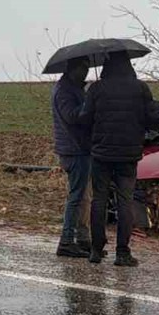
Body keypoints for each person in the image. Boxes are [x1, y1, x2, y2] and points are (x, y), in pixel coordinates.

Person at [78, 52, 159, 267]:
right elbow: (150, 117)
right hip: (128, 154)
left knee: (99, 200)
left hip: (101, 154)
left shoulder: (97, 89)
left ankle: (96, 250)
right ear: (129, 66)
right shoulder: (140, 88)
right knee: (125, 201)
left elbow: (85, 118)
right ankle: (122, 252)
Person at [51, 58, 93, 258]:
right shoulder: (65, 91)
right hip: (75, 149)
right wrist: (90, 106)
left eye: (87, 68)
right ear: (73, 69)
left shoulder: (70, 88)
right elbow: (72, 116)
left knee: (83, 196)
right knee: (76, 197)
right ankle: (67, 241)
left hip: (76, 148)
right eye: (82, 68)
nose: (85, 72)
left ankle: (83, 239)